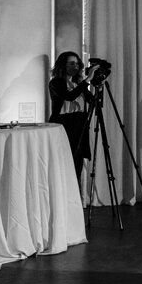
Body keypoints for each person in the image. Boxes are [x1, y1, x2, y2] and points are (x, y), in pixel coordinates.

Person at [48, 51, 97, 184]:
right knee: (64, 161)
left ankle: (74, 200)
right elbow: (69, 96)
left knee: (77, 162)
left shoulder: (78, 83)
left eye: (77, 64)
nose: (75, 66)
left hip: (79, 124)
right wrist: (87, 80)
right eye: (71, 63)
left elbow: (93, 101)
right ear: (63, 65)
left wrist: (98, 85)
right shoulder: (56, 83)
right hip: (64, 125)